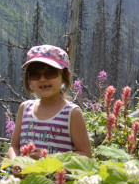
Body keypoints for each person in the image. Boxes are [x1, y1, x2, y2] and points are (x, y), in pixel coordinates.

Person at [8, 45, 92, 176]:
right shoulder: (25, 109)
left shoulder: (71, 113)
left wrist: (49, 161)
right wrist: (15, 163)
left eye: (50, 73)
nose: (42, 79)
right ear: (28, 79)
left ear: (64, 76)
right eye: (35, 74)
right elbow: (14, 146)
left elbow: (86, 156)